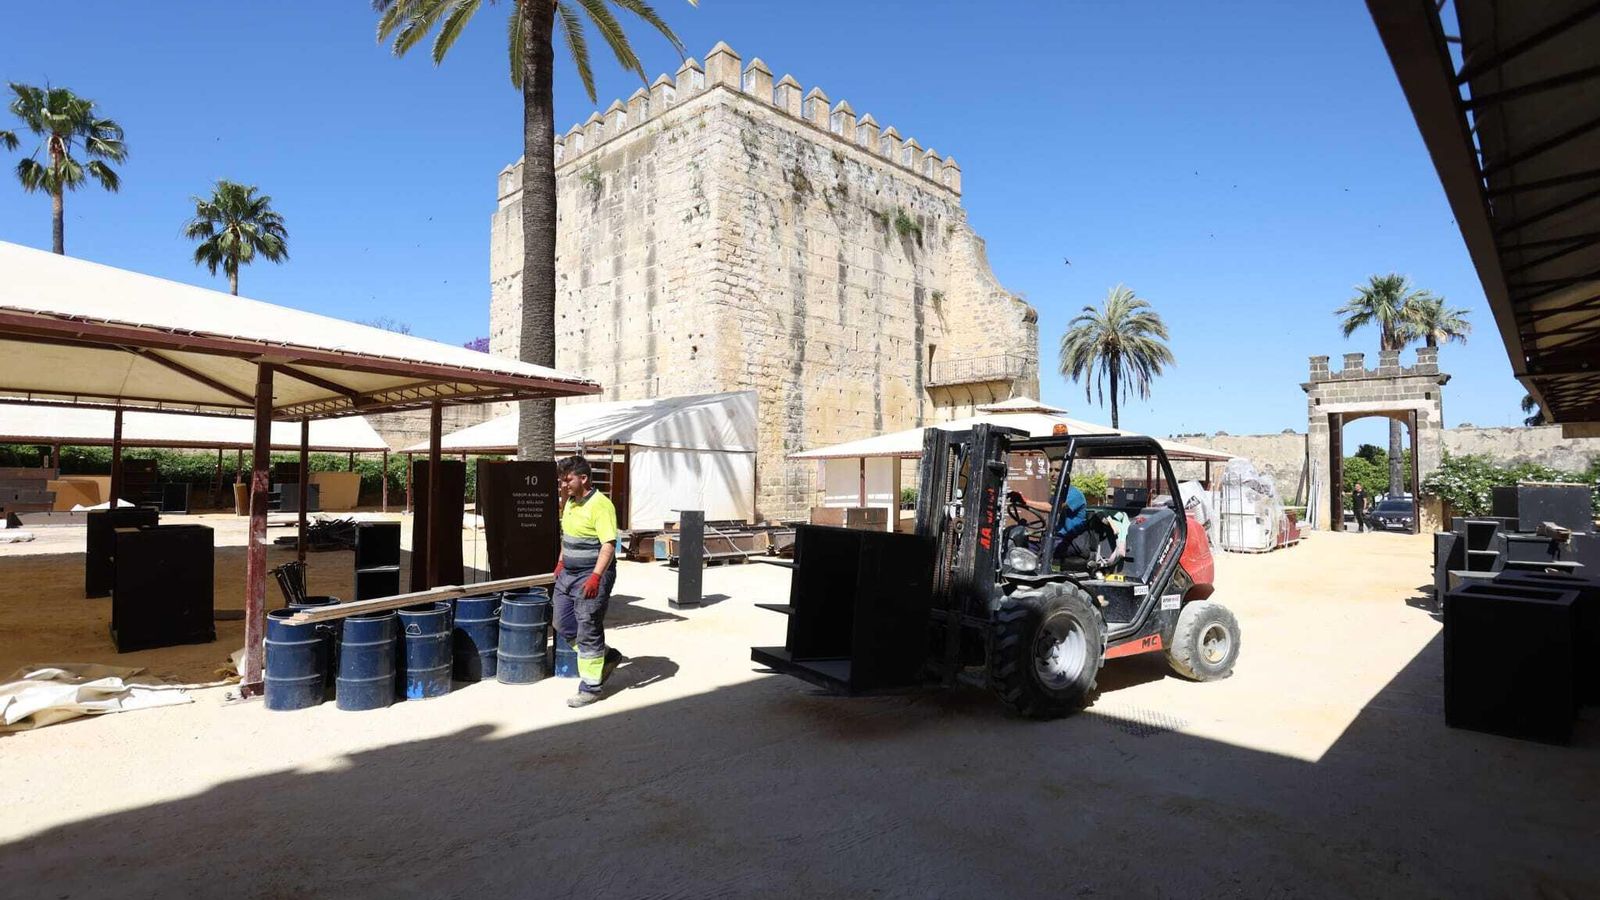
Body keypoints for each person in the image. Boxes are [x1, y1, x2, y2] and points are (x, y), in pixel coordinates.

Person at [553, 455, 622, 708]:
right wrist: (561, 561)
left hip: (591, 574)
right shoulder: (571, 502)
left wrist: (595, 577)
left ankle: (591, 687)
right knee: (561, 621)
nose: (563, 484)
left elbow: (608, 545)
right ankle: (606, 657)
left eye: (567, 479)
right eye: (561, 480)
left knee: (588, 626)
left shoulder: (601, 505)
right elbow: (568, 535)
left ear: (583, 478)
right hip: (568, 574)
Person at [1008, 483, 1098, 562]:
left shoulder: (1075, 494)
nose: (1053, 474)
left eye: (1057, 470)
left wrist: (1025, 501)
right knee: (1019, 544)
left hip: (1071, 542)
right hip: (1057, 539)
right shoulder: (1057, 495)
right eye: (1051, 470)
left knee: (1034, 552)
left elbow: (1052, 508)